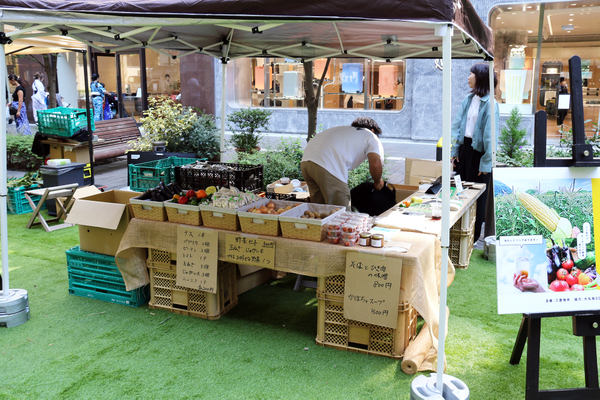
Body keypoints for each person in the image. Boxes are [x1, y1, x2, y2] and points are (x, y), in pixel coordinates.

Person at [451, 63, 499, 243]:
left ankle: (473, 235)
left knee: (478, 195)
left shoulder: (490, 104)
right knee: (461, 190)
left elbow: (490, 137)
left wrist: (487, 162)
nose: (468, 77)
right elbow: (457, 126)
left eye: (471, 74)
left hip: (480, 155)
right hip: (464, 150)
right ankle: (459, 229)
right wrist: (455, 150)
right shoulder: (468, 99)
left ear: (480, 78)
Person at [301, 117, 384, 209]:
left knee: (319, 210)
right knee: (342, 213)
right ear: (373, 131)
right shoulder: (371, 136)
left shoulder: (343, 130)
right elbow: (375, 163)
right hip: (327, 165)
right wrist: (377, 182)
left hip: (306, 161)